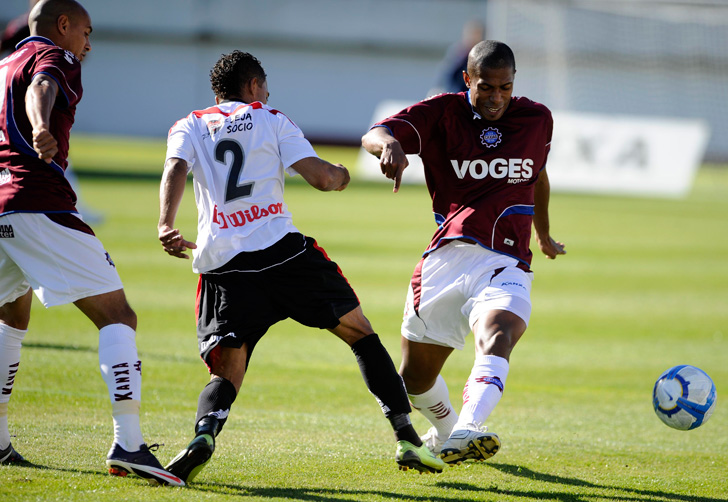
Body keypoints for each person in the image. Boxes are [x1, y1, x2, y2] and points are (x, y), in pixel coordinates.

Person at [157, 50, 446, 483]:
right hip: (285, 256)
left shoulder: (189, 124)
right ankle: (407, 438)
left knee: (227, 370)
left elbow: (175, 167)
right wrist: (344, 173)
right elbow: (322, 178)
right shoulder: (270, 117)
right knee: (360, 334)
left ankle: (205, 434)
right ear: (254, 85)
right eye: (265, 84)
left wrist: (165, 223)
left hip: (224, 267)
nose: (269, 91)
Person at [0, 0, 183, 486]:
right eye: (85, 31)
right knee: (118, 316)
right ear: (63, 25)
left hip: (0, 204)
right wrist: (41, 126)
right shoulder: (57, 58)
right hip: (39, 201)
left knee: (11, 317)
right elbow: (43, 88)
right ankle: (129, 444)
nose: (88, 43)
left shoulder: (2, 64)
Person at [361, 40, 566, 465]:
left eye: (504, 88)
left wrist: (543, 235)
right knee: (414, 380)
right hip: (446, 260)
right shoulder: (441, 112)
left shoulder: (537, 119)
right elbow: (374, 134)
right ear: (467, 79)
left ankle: (471, 426)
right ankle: (449, 432)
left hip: (506, 261)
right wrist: (390, 146)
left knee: (499, 334)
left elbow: (538, 176)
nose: (496, 98)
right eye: (485, 87)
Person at [427, 19, 485, 97]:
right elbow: (446, 76)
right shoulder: (459, 54)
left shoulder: (484, 57)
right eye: (472, 34)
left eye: (477, 35)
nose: (473, 38)